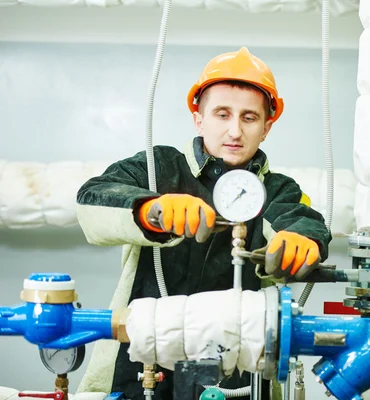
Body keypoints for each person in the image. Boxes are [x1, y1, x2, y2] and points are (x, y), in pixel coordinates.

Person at [75, 47, 332, 400]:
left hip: (239, 377)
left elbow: (297, 218)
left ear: (267, 126)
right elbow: (93, 198)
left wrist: (304, 239)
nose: (235, 130)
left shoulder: (277, 190)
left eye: (249, 117)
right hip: (138, 366)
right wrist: (153, 209)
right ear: (199, 118)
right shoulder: (159, 167)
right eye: (222, 114)